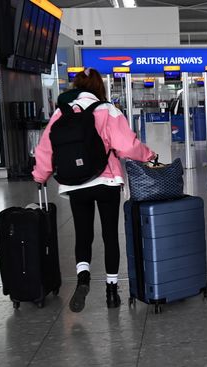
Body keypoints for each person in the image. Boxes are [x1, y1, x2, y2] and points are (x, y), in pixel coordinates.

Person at [32, 68, 156, 313]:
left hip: (74, 184)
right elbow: (126, 146)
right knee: (110, 235)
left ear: (76, 86)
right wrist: (149, 156)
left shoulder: (61, 112)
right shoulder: (107, 110)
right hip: (106, 181)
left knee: (83, 234)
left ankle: (83, 279)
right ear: (100, 87)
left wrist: (40, 176)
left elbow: (45, 148)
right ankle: (111, 292)